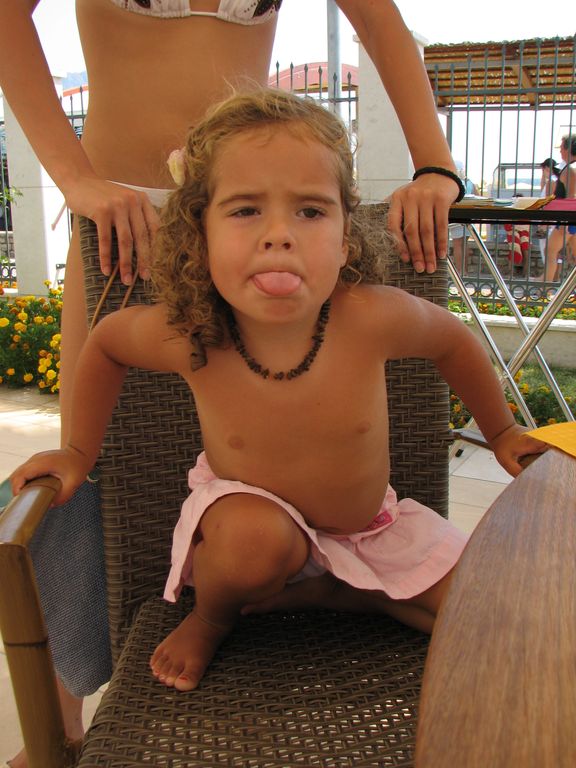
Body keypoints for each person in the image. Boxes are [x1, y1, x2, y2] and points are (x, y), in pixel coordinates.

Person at [0, 3, 463, 764]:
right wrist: (74, 177)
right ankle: (64, 724)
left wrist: (435, 166)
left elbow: (381, 22)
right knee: (94, 467)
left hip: (256, 208)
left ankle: (323, 575)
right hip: (126, 226)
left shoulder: (361, 301)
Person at [11, 88, 545, 696]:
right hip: (247, 529)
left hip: (370, 530)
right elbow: (106, 344)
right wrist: (78, 451)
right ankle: (212, 619)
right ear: (200, 234)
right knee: (254, 542)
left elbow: (454, 342)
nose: (279, 235)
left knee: (487, 610)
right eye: (245, 211)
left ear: (345, 238)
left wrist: (502, 431)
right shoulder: (191, 333)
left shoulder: (372, 317)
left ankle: (340, 589)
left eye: (310, 212)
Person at [542, 135, 576, 283]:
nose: (560, 150)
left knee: (550, 251)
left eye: (562, 147)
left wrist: (565, 223)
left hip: (567, 220)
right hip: (569, 221)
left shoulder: (571, 169)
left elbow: (571, 198)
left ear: (569, 148)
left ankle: (545, 288)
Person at [449, 160, 478, 274]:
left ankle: (460, 270)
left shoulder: (453, 183)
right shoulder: (470, 183)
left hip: (457, 215)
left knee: (457, 244)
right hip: (468, 215)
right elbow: (478, 197)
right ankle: (465, 269)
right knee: (465, 243)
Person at [536, 157, 561, 269]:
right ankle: (552, 277)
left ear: (546, 168)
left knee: (548, 252)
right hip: (551, 220)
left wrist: (544, 222)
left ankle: (549, 277)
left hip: (547, 221)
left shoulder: (552, 181)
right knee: (554, 253)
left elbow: (548, 202)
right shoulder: (554, 180)